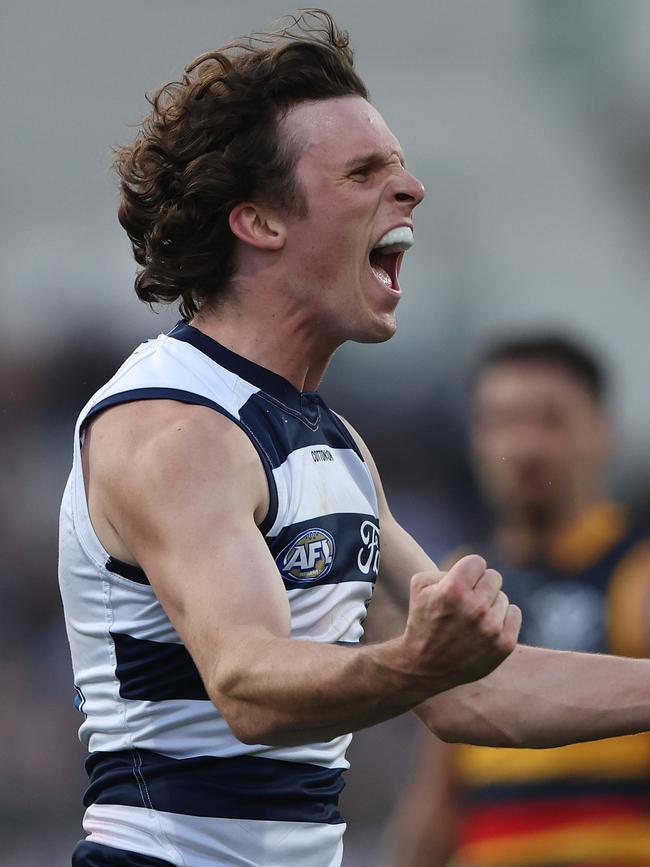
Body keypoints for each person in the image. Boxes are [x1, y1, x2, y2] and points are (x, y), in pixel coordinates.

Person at [58, 10, 650, 867]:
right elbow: (249, 686)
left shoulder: (329, 440)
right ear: (259, 220)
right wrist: (414, 661)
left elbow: (476, 691)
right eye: (366, 171)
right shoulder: (174, 426)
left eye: (401, 166)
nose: (409, 189)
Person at [385, 334, 650, 867]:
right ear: (476, 442)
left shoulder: (637, 575)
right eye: (503, 420)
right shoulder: (457, 582)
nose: (526, 445)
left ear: (603, 434)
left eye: (551, 420)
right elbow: (437, 792)